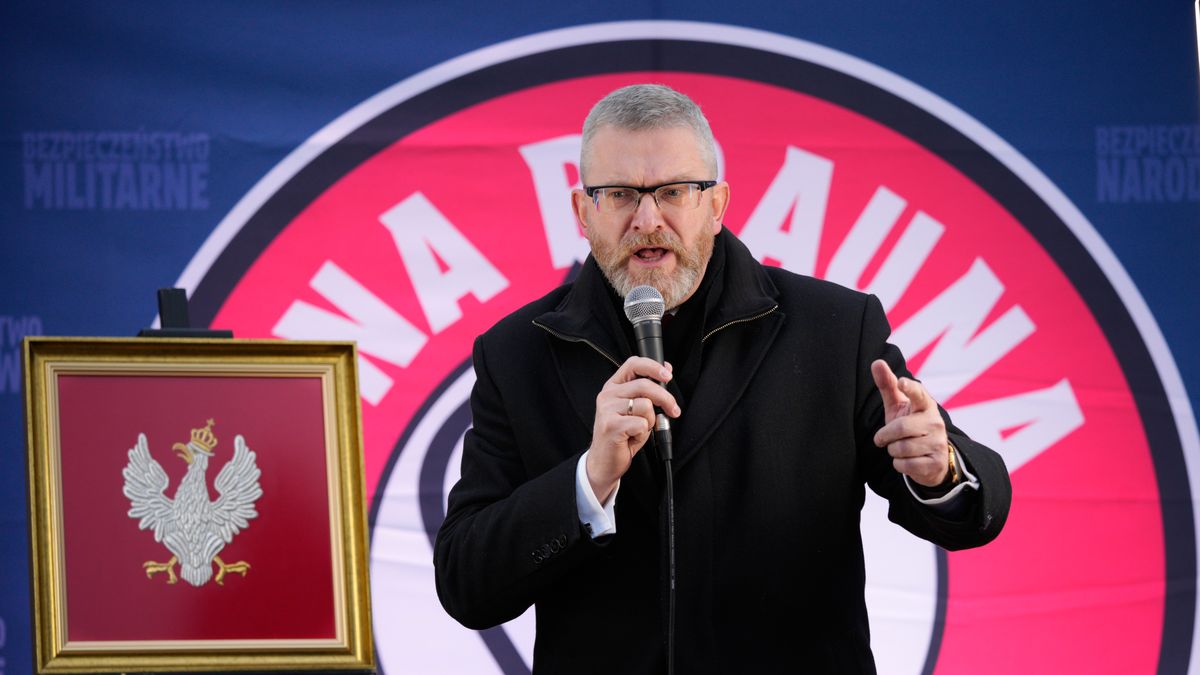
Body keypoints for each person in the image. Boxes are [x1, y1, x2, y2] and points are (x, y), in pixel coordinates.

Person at [434, 84, 1011, 673]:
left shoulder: (835, 329)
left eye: (674, 192)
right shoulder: (517, 354)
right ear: (585, 213)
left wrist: (940, 471)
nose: (647, 219)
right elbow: (466, 585)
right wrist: (587, 481)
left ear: (717, 205)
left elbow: (970, 510)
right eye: (620, 195)